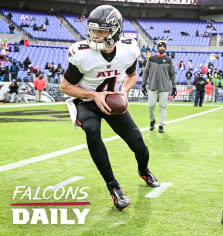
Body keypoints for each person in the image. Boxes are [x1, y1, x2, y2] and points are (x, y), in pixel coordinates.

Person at [60, 5, 159, 211]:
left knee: (139, 145)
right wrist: (93, 94)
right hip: (87, 102)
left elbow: (132, 76)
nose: (95, 36)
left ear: (115, 31)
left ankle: (144, 170)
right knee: (92, 130)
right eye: (93, 31)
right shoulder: (82, 54)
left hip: (112, 102)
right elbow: (65, 86)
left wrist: (123, 92)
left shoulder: (128, 49)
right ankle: (113, 186)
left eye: (102, 31)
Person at [142, 41, 176, 133]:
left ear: (165, 48)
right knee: (151, 106)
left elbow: (172, 74)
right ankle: (152, 120)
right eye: (160, 46)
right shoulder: (151, 59)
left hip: (164, 87)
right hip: (152, 86)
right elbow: (146, 71)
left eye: (163, 46)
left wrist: (174, 87)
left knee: (163, 106)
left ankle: (161, 125)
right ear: (158, 48)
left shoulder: (169, 60)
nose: (162, 48)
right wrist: (143, 83)